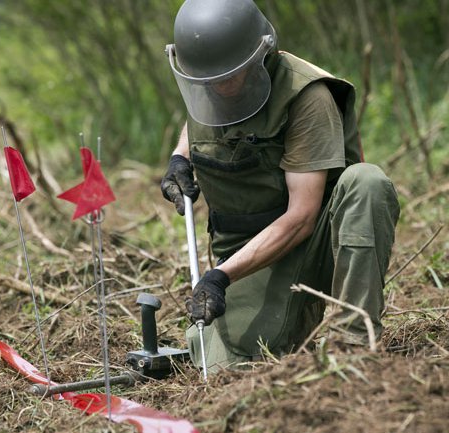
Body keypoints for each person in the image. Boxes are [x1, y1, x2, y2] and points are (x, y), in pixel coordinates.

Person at [160, 0, 400, 373]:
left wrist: (220, 278)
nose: (219, 88)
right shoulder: (209, 81)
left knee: (366, 182)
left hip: (312, 243)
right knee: (226, 363)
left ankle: (354, 341)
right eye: (208, 81)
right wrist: (180, 158)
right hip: (246, 253)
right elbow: (202, 124)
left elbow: (302, 217)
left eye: (229, 76)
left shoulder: (307, 98)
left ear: (259, 54)